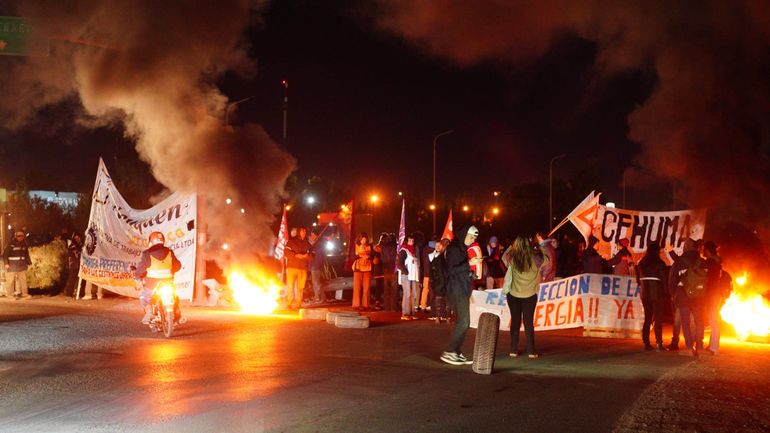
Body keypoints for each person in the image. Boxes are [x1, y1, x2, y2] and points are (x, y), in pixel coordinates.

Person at [440, 225, 482, 366]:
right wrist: (469, 263)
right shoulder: (454, 249)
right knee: (464, 322)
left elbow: (460, 268)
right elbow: (451, 270)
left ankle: (456, 351)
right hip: (456, 290)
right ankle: (450, 351)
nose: (472, 240)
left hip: (461, 288)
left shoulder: (461, 249)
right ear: (464, 234)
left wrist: (471, 274)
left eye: (474, 238)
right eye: (471, 237)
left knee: (462, 322)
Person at [502, 236, 548, 358]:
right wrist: (540, 247)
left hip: (513, 295)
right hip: (530, 295)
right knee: (528, 323)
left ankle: (513, 349)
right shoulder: (536, 259)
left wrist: (511, 247)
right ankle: (531, 351)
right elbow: (547, 259)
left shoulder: (512, 258)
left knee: (515, 321)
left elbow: (504, 257)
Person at [133, 231, 182, 324]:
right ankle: (177, 315)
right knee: (174, 297)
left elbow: (141, 268)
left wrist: (137, 276)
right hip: (168, 282)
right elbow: (178, 266)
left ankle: (149, 313)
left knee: (144, 297)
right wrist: (171, 271)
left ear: (150, 241)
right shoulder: (169, 252)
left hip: (152, 285)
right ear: (163, 240)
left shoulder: (147, 253)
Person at [668, 238, 705, 356]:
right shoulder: (702, 261)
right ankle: (700, 347)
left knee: (685, 322)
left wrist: (674, 294)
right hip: (699, 296)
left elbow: (672, 280)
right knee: (699, 321)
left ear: (685, 248)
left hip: (683, 296)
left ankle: (689, 347)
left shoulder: (679, 262)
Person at [636, 242, 668, 351]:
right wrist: (666, 292)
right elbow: (664, 280)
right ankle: (659, 343)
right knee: (658, 318)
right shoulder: (660, 263)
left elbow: (638, 280)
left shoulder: (641, 263)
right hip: (657, 293)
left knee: (647, 318)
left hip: (645, 293)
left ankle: (646, 343)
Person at [702, 241, 723, 355]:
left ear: (708, 250)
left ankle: (714, 348)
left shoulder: (711, 262)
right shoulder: (717, 262)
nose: (702, 251)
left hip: (712, 294)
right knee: (714, 319)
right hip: (716, 293)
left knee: (713, 320)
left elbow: (707, 279)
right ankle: (713, 345)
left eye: (704, 249)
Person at [285, 226, 311, 310]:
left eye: (305, 231)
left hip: (303, 268)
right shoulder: (292, 241)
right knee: (290, 286)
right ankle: (289, 303)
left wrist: (307, 256)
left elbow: (312, 255)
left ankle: (298, 304)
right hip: (292, 267)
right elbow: (286, 252)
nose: (304, 233)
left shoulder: (307, 244)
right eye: (302, 231)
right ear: (299, 232)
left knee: (300, 287)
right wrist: (296, 255)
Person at [3, 231, 32, 299]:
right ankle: (10, 295)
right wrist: (6, 263)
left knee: (23, 280)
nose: (20, 237)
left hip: (21, 266)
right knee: (10, 281)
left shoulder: (24, 245)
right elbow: (5, 254)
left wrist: (29, 263)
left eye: (22, 236)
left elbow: (26, 255)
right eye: (19, 236)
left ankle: (25, 294)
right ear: (16, 237)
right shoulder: (11, 244)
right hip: (12, 265)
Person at [398, 233, 420, 319]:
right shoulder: (403, 250)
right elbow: (399, 264)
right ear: (406, 241)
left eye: (412, 240)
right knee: (407, 294)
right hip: (406, 275)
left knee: (414, 293)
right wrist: (406, 272)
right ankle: (405, 313)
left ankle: (412, 312)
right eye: (410, 240)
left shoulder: (414, 251)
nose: (411, 242)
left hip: (413, 276)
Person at [429, 239, 450, 322]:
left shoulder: (441, 256)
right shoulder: (439, 256)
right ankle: (443, 316)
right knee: (443, 298)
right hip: (442, 281)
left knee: (441, 299)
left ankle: (441, 316)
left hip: (440, 281)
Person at [352, 232, 373, 310]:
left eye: (365, 239)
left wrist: (368, 257)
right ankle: (356, 305)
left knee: (367, 287)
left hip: (367, 268)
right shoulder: (356, 246)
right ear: (359, 240)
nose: (363, 241)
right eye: (362, 239)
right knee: (357, 287)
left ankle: (366, 305)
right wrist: (360, 256)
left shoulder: (370, 246)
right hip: (358, 268)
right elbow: (352, 256)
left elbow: (373, 256)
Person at [380, 233, 399, 312]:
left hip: (385, 268)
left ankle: (387, 307)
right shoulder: (396, 247)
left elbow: (382, 257)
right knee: (394, 289)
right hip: (393, 268)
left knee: (386, 288)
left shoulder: (383, 247)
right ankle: (393, 307)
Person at [63, 233, 84, 297]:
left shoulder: (81, 245)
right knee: (72, 279)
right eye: (76, 238)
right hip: (74, 265)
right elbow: (73, 254)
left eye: (78, 238)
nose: (78, 239)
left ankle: (80, 293)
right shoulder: (72, 245)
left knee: (82, 280)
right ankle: (69, 292)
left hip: (80, 265)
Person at [419, 238, 436, 311]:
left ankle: (423, 305)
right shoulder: (434, 251)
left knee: (425, 290)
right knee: (432, 290)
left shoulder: (425, 250)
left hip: (425, 273)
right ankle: (431, 305)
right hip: (432, 274)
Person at [308, 232, 325, 304]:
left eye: (313, 235)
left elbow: (314, 256)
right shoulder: (316, 245)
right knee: (317, 282)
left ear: (316, 236)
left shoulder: (317, 245)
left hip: (316, 266)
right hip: (315, 266)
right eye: (311, 235)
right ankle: (322, 298)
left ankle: (318, 298)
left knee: (316, 283)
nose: (311, 236)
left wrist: (311, 246)